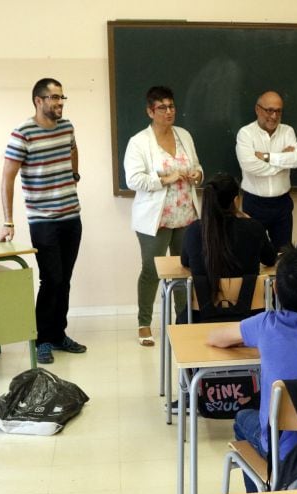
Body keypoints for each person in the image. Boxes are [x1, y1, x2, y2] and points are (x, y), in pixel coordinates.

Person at [207, 240, 297, 486]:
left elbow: (216, 339)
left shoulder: (265, 325)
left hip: (285, 454)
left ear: (275, 291)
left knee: (242, 419)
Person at [0, 77, 86, 365]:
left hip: (71, 216)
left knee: (65, 280)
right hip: (43, 220)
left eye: (62, 97)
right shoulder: (23, 133)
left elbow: (73, 149)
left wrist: (74, 175)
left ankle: (59, 334)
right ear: (39, 101)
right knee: (52, 279)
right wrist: (8, 221)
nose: (60, 103)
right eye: (54, 98)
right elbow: (7, 178)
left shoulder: (66, 127)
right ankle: (42, 339)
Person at [125, 86, 203, 347]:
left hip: (186, 215)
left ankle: (183, 321)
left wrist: (197, 175)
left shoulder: (184, 135)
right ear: (150, 111)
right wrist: (164, 179)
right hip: (155, 219)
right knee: (151, 270)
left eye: (171, 106)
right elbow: (133, 179)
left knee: (184, 270)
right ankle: (144, 323)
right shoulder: (139, 142)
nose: (169, 112)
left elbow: (197, 165)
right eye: (162, 108)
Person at [179, 173, 277, 322]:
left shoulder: (194, 230)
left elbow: (185, 262)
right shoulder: (253, 228)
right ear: (236, 201)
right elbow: (270, 259)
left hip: (200, 319)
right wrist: (251, 223)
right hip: (250, 320)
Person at [235, 90, 297, 253]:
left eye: (278, 111)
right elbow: (249, 165)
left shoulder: (287, 131)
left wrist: (267, 157)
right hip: (254, 204)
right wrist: (282, 161)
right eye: (269, 110)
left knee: (283, 256)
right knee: (251, 254)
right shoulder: (245, 134)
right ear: (258, 109)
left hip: (282, 204)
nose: (274, 116)